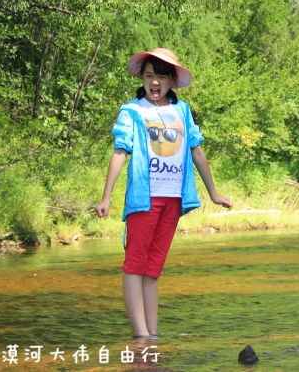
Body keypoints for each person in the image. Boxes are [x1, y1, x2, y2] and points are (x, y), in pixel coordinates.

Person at [95, 47, 232, 338]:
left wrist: (214, 194)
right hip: (144, 198)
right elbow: (120, 151)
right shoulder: (133, 111)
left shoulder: (181, 111)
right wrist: (106, 197)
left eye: (160, 76)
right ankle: (141, 335)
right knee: (135, 265)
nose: (154, 82)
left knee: (153, 268)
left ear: (171, 81)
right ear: (142, 79)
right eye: (149, 76)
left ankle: (152, 335)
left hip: (173, 198)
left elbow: (196, 150)